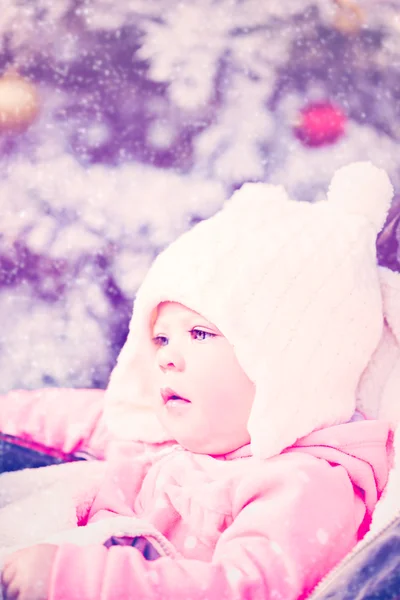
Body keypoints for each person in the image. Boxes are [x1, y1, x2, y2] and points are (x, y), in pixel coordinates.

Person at [0, 162, 395, 600]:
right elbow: (61, 417)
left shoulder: (304, 485)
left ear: (285, 362)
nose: (167, 356)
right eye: (160, 338)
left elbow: (243, 590)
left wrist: (77, 580)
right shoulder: (155, 434)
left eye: (200, 333)